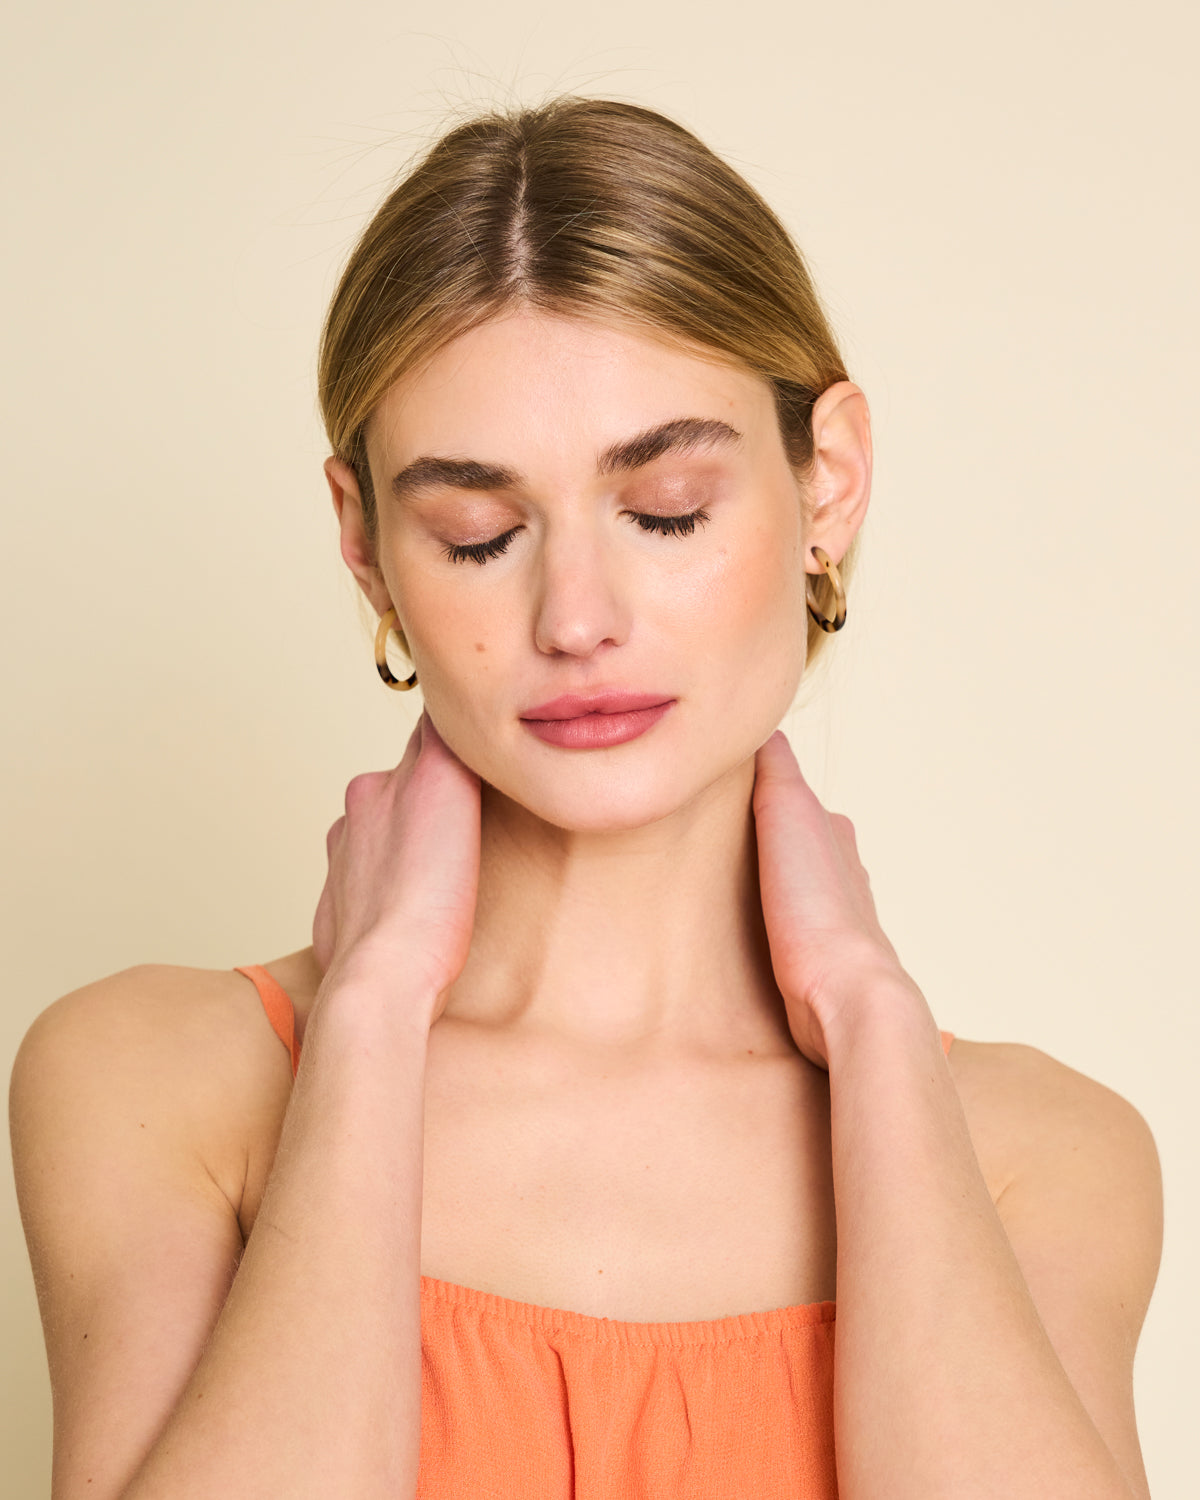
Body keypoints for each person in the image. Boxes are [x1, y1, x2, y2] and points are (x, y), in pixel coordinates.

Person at [9, 95, 1161, 1500]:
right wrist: (370, 1015)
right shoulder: (154, 1084)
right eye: (478, 534)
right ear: (367, 547)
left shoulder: (1043, 1163)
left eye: (665, 507)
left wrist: (871, 1016)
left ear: (829, 482)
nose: (577, 617)